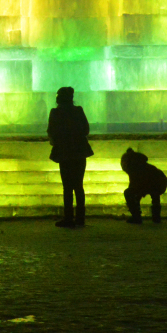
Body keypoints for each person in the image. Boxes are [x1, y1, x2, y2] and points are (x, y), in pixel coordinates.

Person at [47, 86, 93, 228]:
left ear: (59, 98)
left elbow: (51, 131)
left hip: (65, 152)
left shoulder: (56, 113)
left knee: (67, 186)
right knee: (78, 185)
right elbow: (86, 129)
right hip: (79, 151)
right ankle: (80, 218)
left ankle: (68, 218)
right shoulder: (78, 111)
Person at [121, 147, 167, 224]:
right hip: (159, 183)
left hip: (156, 184)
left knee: (129, 193)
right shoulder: (144, 166)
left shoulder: (135, 169)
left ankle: (137, 217)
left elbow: (135, 185)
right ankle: (156, 217)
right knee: (155, 197)